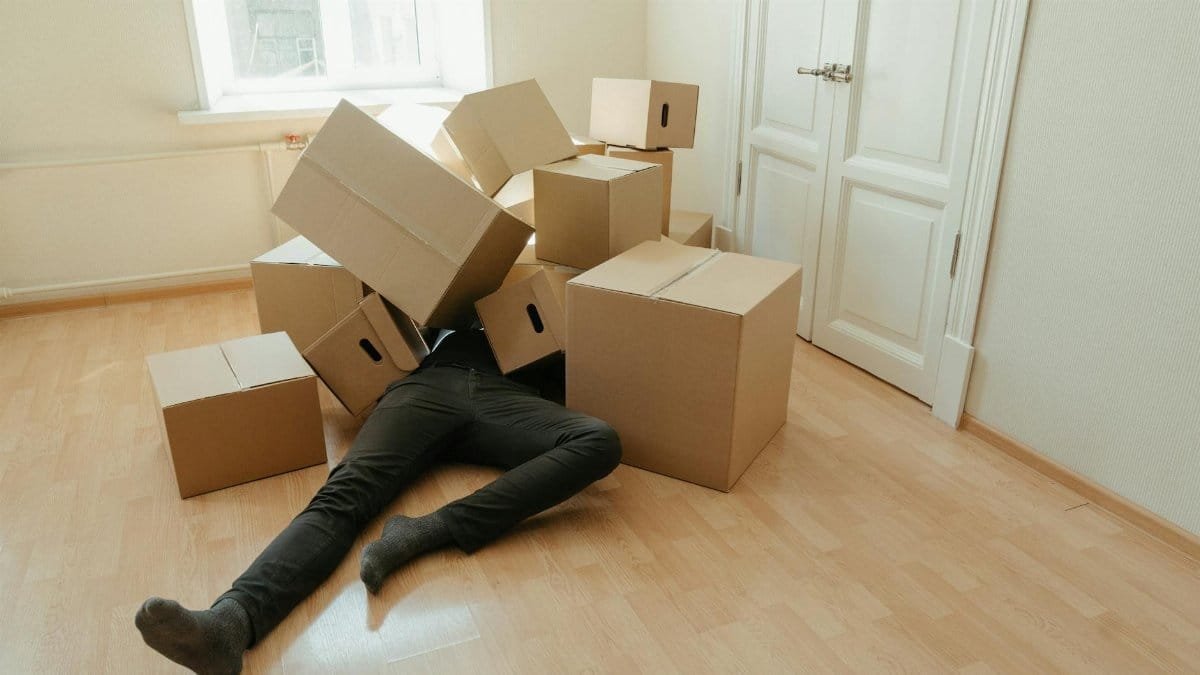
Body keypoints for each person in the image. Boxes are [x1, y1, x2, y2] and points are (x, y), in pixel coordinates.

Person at [134, 328, 621, 675]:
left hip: (509, 401)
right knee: (341, 500)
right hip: (429, 386)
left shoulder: (577, 299)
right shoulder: (469, 281)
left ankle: (426, 531)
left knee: (599, 440)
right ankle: (229, 624)